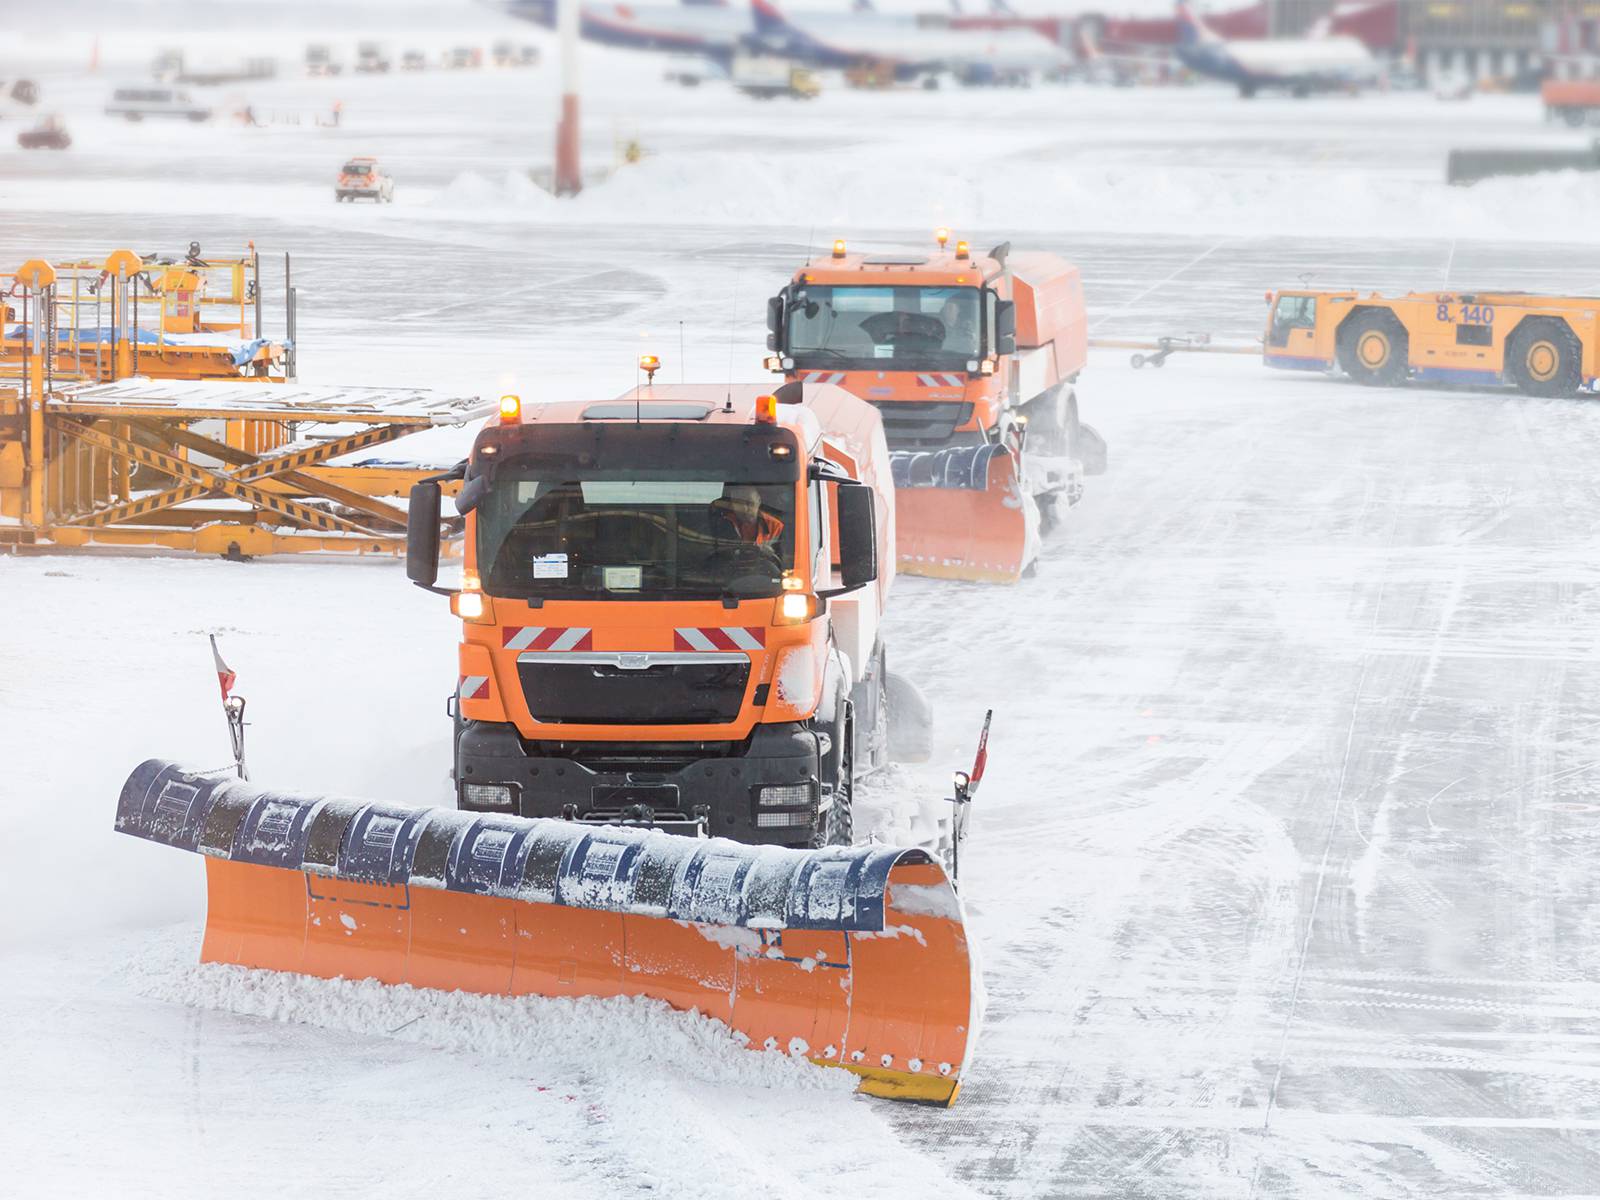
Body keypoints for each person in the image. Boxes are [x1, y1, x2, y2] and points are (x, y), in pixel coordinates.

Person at [712, 485, 784, 546]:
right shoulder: (721, 523)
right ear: (731, 505)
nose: (745, 508)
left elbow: (784, 557)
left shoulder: (776, 527)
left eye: (749, 503)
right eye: (738, 503)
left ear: (759, 501)